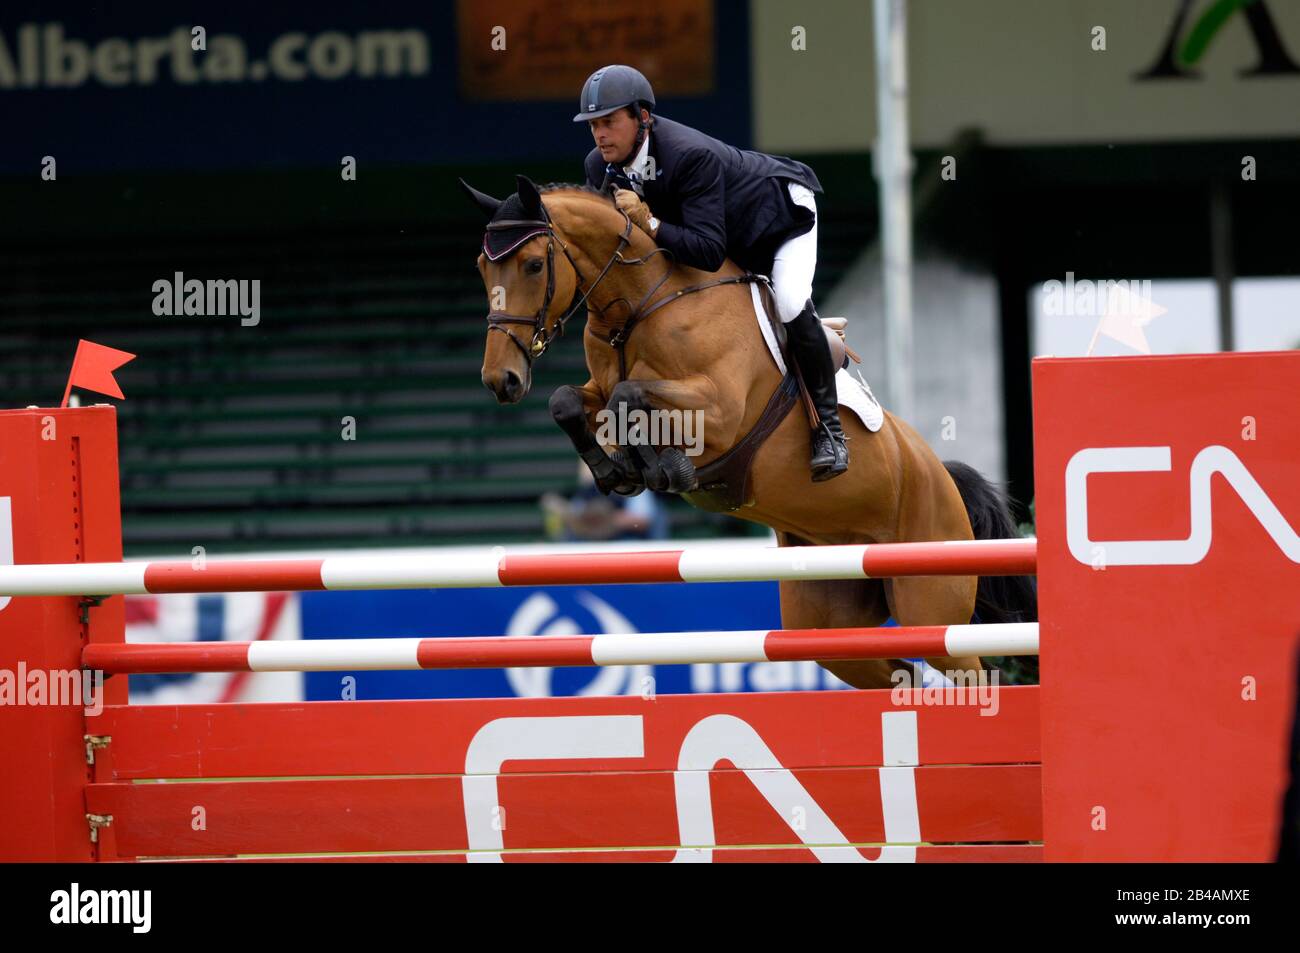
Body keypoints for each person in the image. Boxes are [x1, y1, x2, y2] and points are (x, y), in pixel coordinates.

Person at [574, 64, 849, 482]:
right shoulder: (599, 166)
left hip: (778, 219)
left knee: (791, 303)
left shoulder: (689, 155)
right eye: (593, 124)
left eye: (609, 122)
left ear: (642, 117)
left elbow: (705, 251)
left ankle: (829, 430)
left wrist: (649, 223)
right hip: (721, 231)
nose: (600, 134)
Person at [541, 460, 670, 542]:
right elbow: (576, 518)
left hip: (625, 541)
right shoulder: (587, 491)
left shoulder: (633, 486)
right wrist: (562, 510)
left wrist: (607, 521)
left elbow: (642, 520)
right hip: (593, 542)